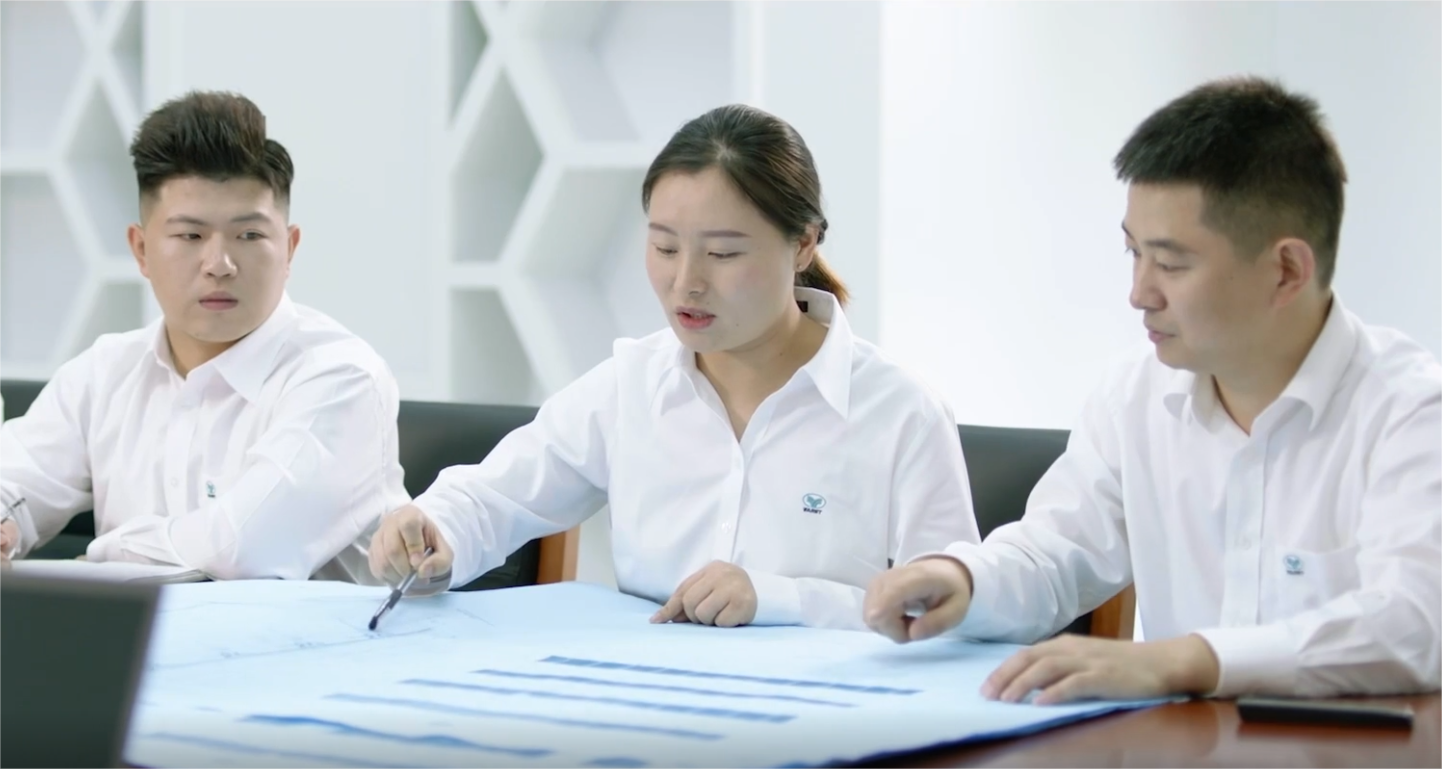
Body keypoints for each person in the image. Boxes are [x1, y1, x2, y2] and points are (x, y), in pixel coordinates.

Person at [863, 76, 1442, 700]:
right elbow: (1055, 553)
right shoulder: (1134, 397)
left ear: (1286, 270)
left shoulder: (1411, 411)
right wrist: (963, 578)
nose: (1139, 293)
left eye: (1169, 263)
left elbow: (1414, 623)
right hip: (1182, 742)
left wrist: (1182, 661)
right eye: (1133, 253)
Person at [369, 104, 980, 630]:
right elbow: (495, 496)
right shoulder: (631, 385)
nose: (686, 282)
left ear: (803, 244)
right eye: (664, 247)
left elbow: (951, 612)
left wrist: (778, 599)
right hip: (649, 702)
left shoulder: (900, 412)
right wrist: (431, 529)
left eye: (723, 253)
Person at [0, 91, 407, 582]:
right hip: (135, 634)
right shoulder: (105, 372)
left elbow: (242, 549)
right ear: (141, 250)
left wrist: (103, 555)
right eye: (190, 236)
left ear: (289, 248)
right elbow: (16, 479)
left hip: (314, 635)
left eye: (249, 236)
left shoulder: (343, 378)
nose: (219, 265)